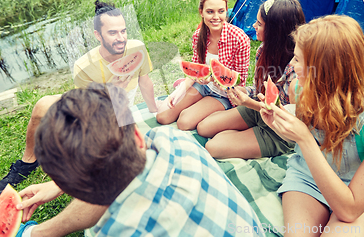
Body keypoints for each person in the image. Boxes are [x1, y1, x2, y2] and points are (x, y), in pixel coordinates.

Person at [15, 83, 265, 237]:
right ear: (136, 133)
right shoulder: (177, 142)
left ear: (78, 190)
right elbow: (117, 166)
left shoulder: (112, 231)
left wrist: (67, 182)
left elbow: (107, 183)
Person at [259, 15, 364, 237]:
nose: (291, 64)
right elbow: (307, 143)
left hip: (359, 199)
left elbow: (349, 211)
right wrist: (278, 125)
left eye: (298, 60)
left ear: (325, 69)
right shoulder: (299, 90)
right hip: (307, 178)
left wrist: (304, 139)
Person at [0, 1, 157, 198]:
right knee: (42, 105)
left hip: (118, 109)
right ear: (98, 35)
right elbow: (88, 108)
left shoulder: (137, 48)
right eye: (113, 33)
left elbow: (145, 82)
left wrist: (154, 111)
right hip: (92, 103)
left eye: (123, 31)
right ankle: (27, 162)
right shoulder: (83, 65)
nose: (121, 38)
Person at [197, 0, 305, 159]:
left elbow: (289, 120)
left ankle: (248, 137)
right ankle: (244, 134)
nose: (254, 26)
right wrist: (242, 90)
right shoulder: (263, 50)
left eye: (259, 24)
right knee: (203, 128)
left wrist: (249, 103)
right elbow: (258, 88)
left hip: (281, 132)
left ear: (276, 31)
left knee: (212, 146)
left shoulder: (297, 71)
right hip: (258, 109)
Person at [156, 0, 251, 130]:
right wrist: (179, 91)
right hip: (202, 86)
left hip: (224, 94)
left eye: (221, 11)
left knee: (184, 122)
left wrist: (213, 79)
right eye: (210, 11)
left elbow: (240, 81)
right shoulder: (198, 36)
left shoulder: (239, 38)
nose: (216, 17)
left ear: (226, 11)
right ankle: (188, 97)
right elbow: (195, 69)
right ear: (201, 12)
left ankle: (211, 110)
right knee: (162, 116)